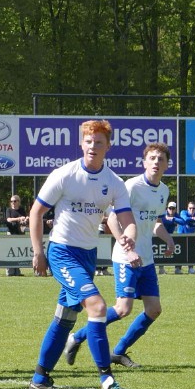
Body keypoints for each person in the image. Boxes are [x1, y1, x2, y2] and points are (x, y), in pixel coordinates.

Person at [26, 119, 139, 389]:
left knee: (65, 317)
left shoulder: (114, 182)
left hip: (88, 255)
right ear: (81, 143)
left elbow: (128, 219)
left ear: (108, 147)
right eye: (88, 141)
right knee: (98, 305)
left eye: (98, 142)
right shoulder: (64, 174)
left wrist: (129, 238)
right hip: (62, 252)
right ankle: (107, 379)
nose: (92, 146)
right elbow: (36, 213)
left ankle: (40, 379)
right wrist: (38, 251)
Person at [63, 142, 173, 370]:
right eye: (151, 158)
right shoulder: (131, 186)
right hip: (126, 258)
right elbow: (112, 218)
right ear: (144, 162)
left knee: (154, 310)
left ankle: (119, 352)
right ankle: (76, 337)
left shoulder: (164, 191)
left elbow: (156, 223)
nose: (156, 162)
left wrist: (168, 238)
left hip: (147, 259)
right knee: (123, 309)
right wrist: (128, 249)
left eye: (160, 159)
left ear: (167, 165)